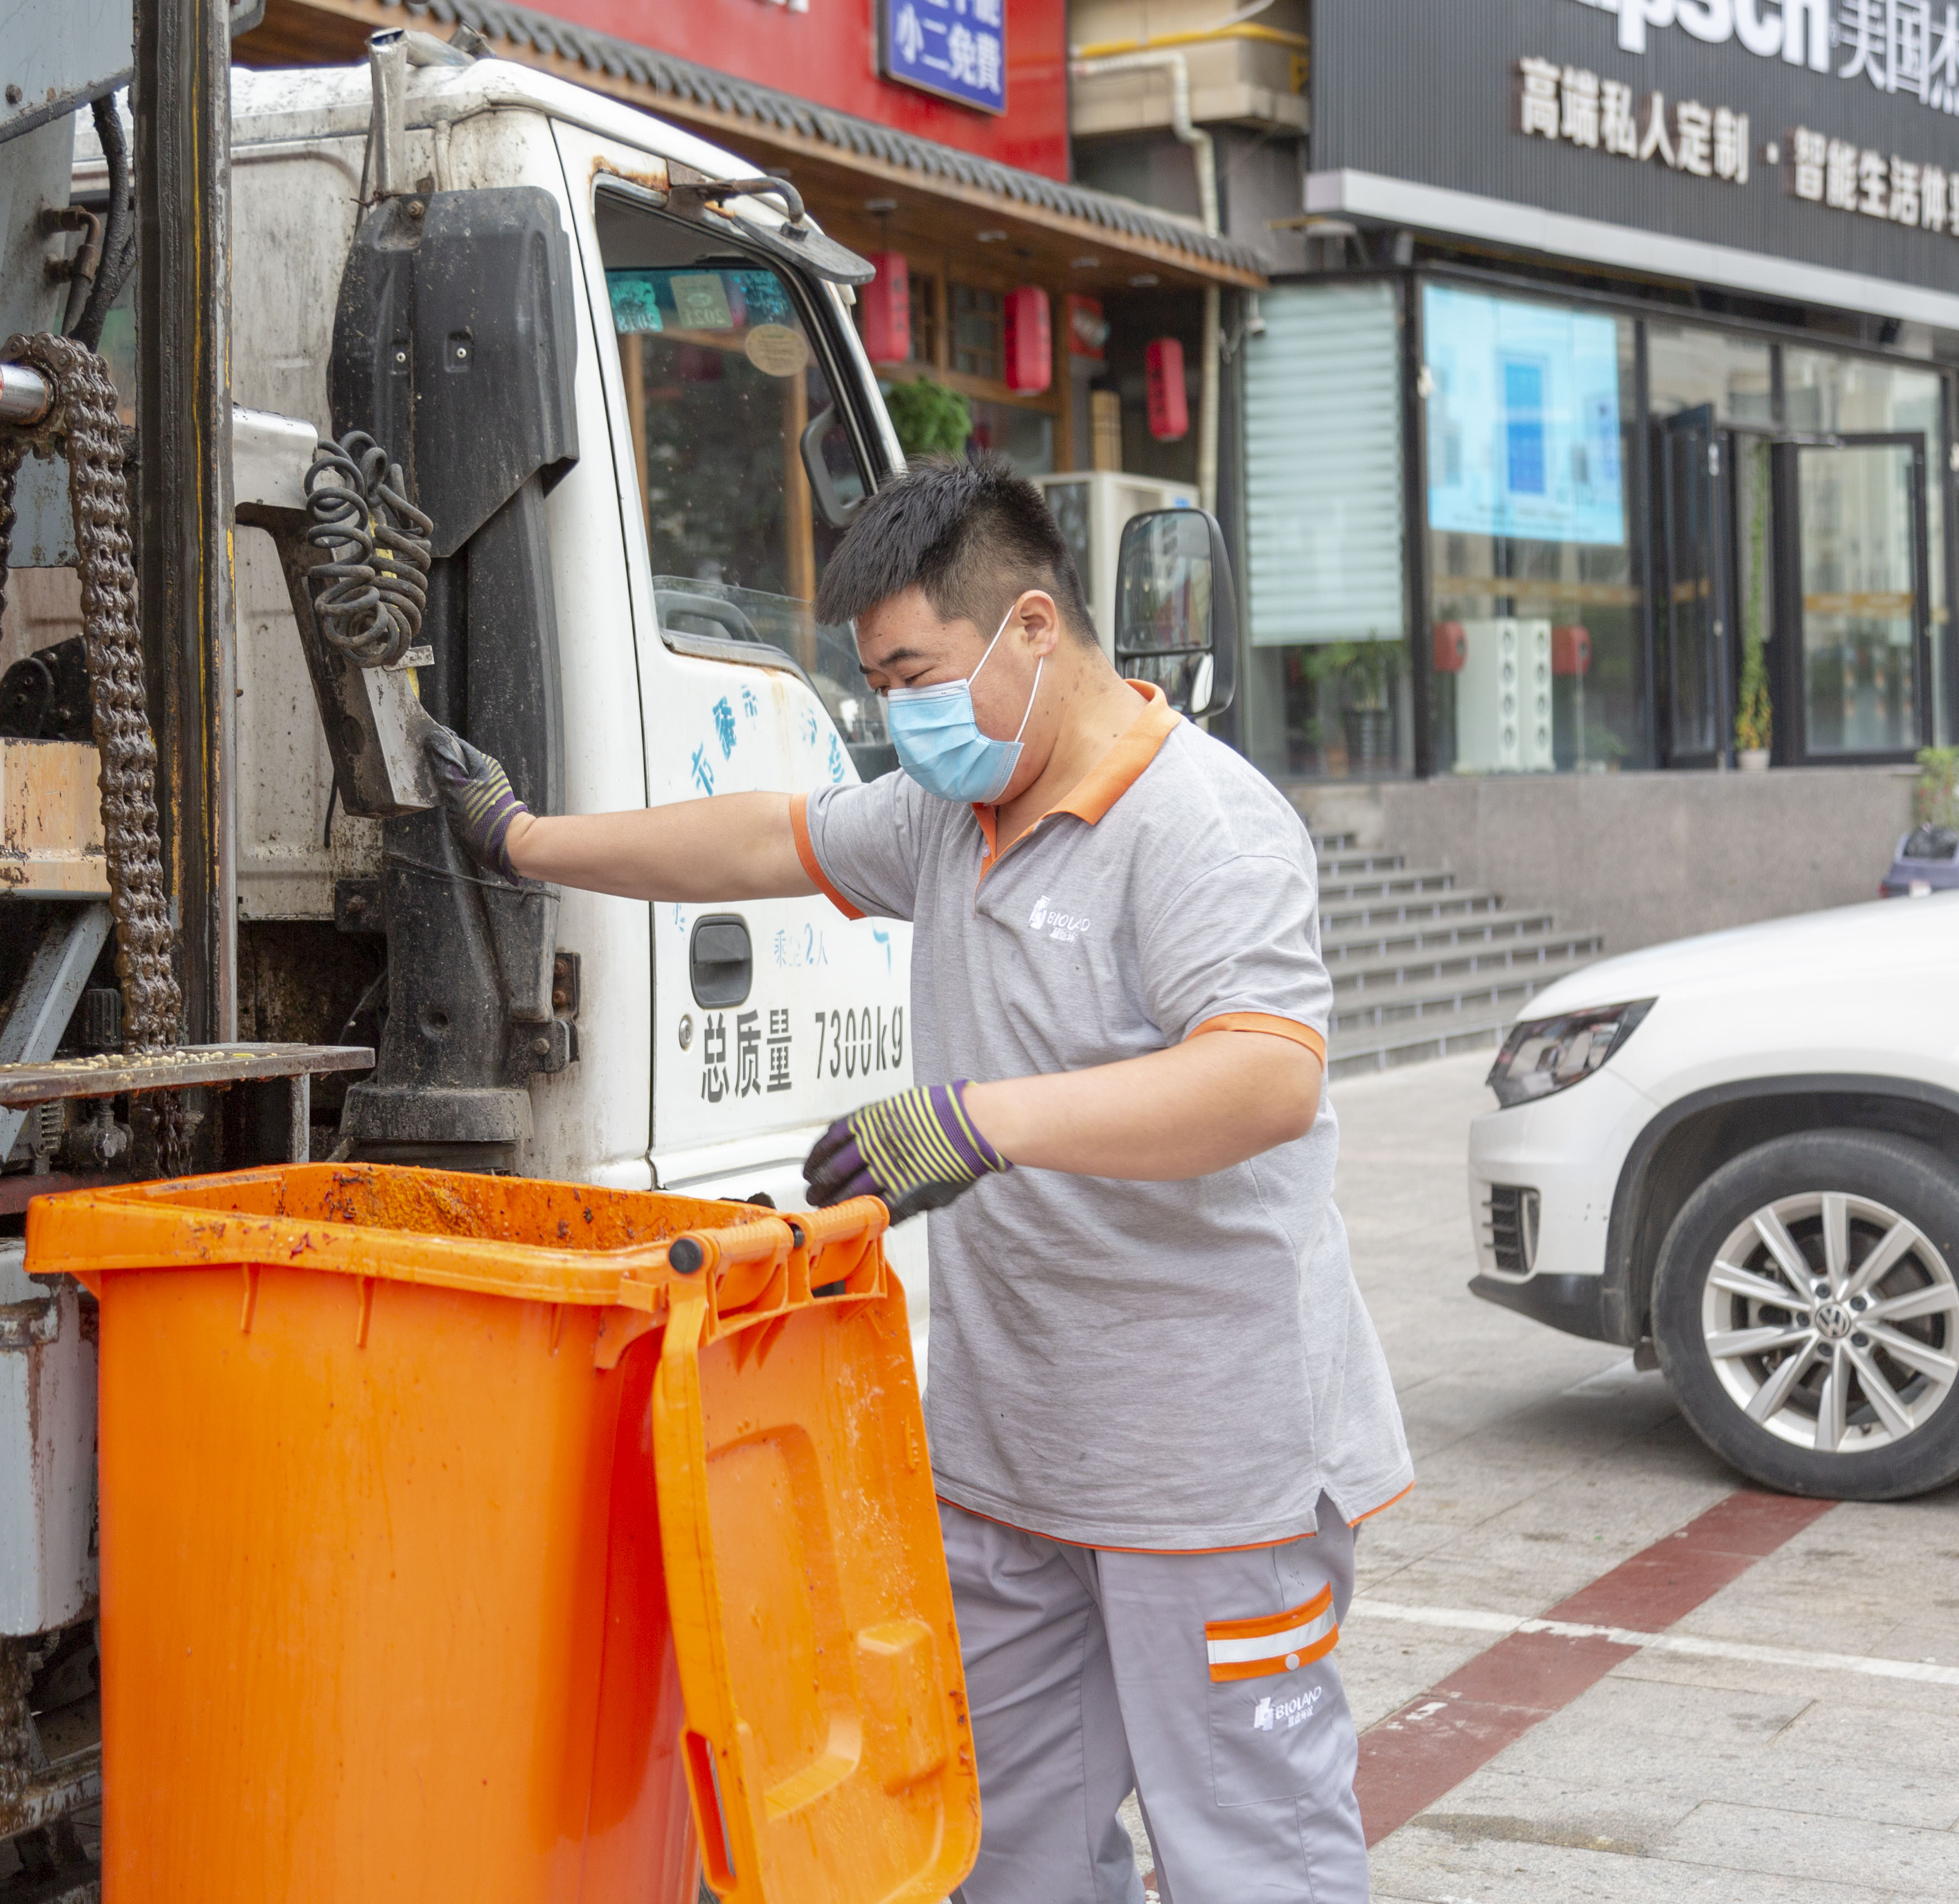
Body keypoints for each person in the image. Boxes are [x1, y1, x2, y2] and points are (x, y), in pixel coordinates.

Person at [423, 455, 1411, 1903]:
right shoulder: (959, 817)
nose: (899, 715)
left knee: (1249, 1851)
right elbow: (768, 834)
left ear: (1029, 626)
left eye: (913, 673)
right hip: (1015, 1461)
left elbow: (1266, 1076)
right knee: (1000, 1844)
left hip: (1214, 1468)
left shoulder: (1200, 822)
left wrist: (979, 1121)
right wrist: (521, 840)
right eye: (877, 684)